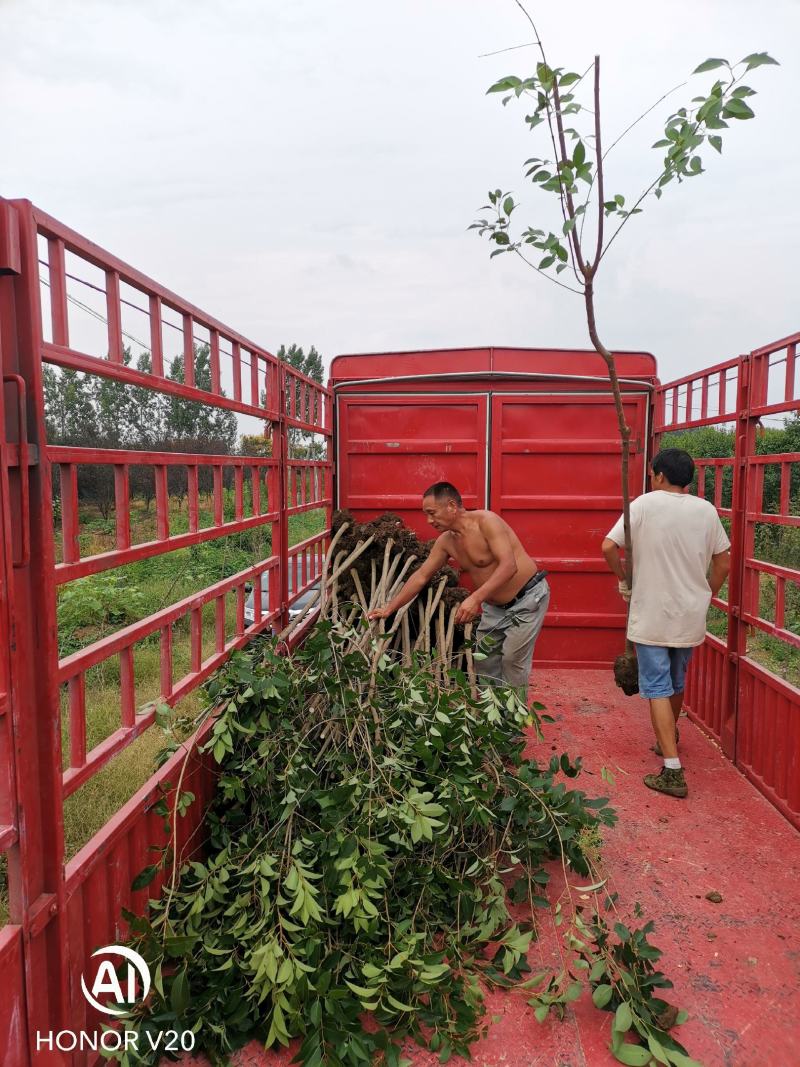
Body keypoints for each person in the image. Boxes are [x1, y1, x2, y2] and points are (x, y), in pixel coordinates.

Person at [601, 448, 731, 799]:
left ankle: (672, 770)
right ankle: (667, 739)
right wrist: (705, 593)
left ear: (658, 475)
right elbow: (722, 563)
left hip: (653, 612)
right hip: (689, 613)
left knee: (656, 685)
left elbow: (609, 546)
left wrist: (624, 578)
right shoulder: (707, 511)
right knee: (675, 681)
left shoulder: (643, 504)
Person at [368, 482, 549, 691]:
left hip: (527, 599)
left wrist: (475, 599)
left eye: (432, 513)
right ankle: (495, 717)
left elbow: (509, 566)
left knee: (512, 660)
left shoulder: (487, 522)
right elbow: (421, 576)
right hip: (495, 609)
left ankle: (513, 720)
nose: (429, 520)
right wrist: (390, 608)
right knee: (484, 659)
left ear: (452, 506)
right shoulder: (446, 541)